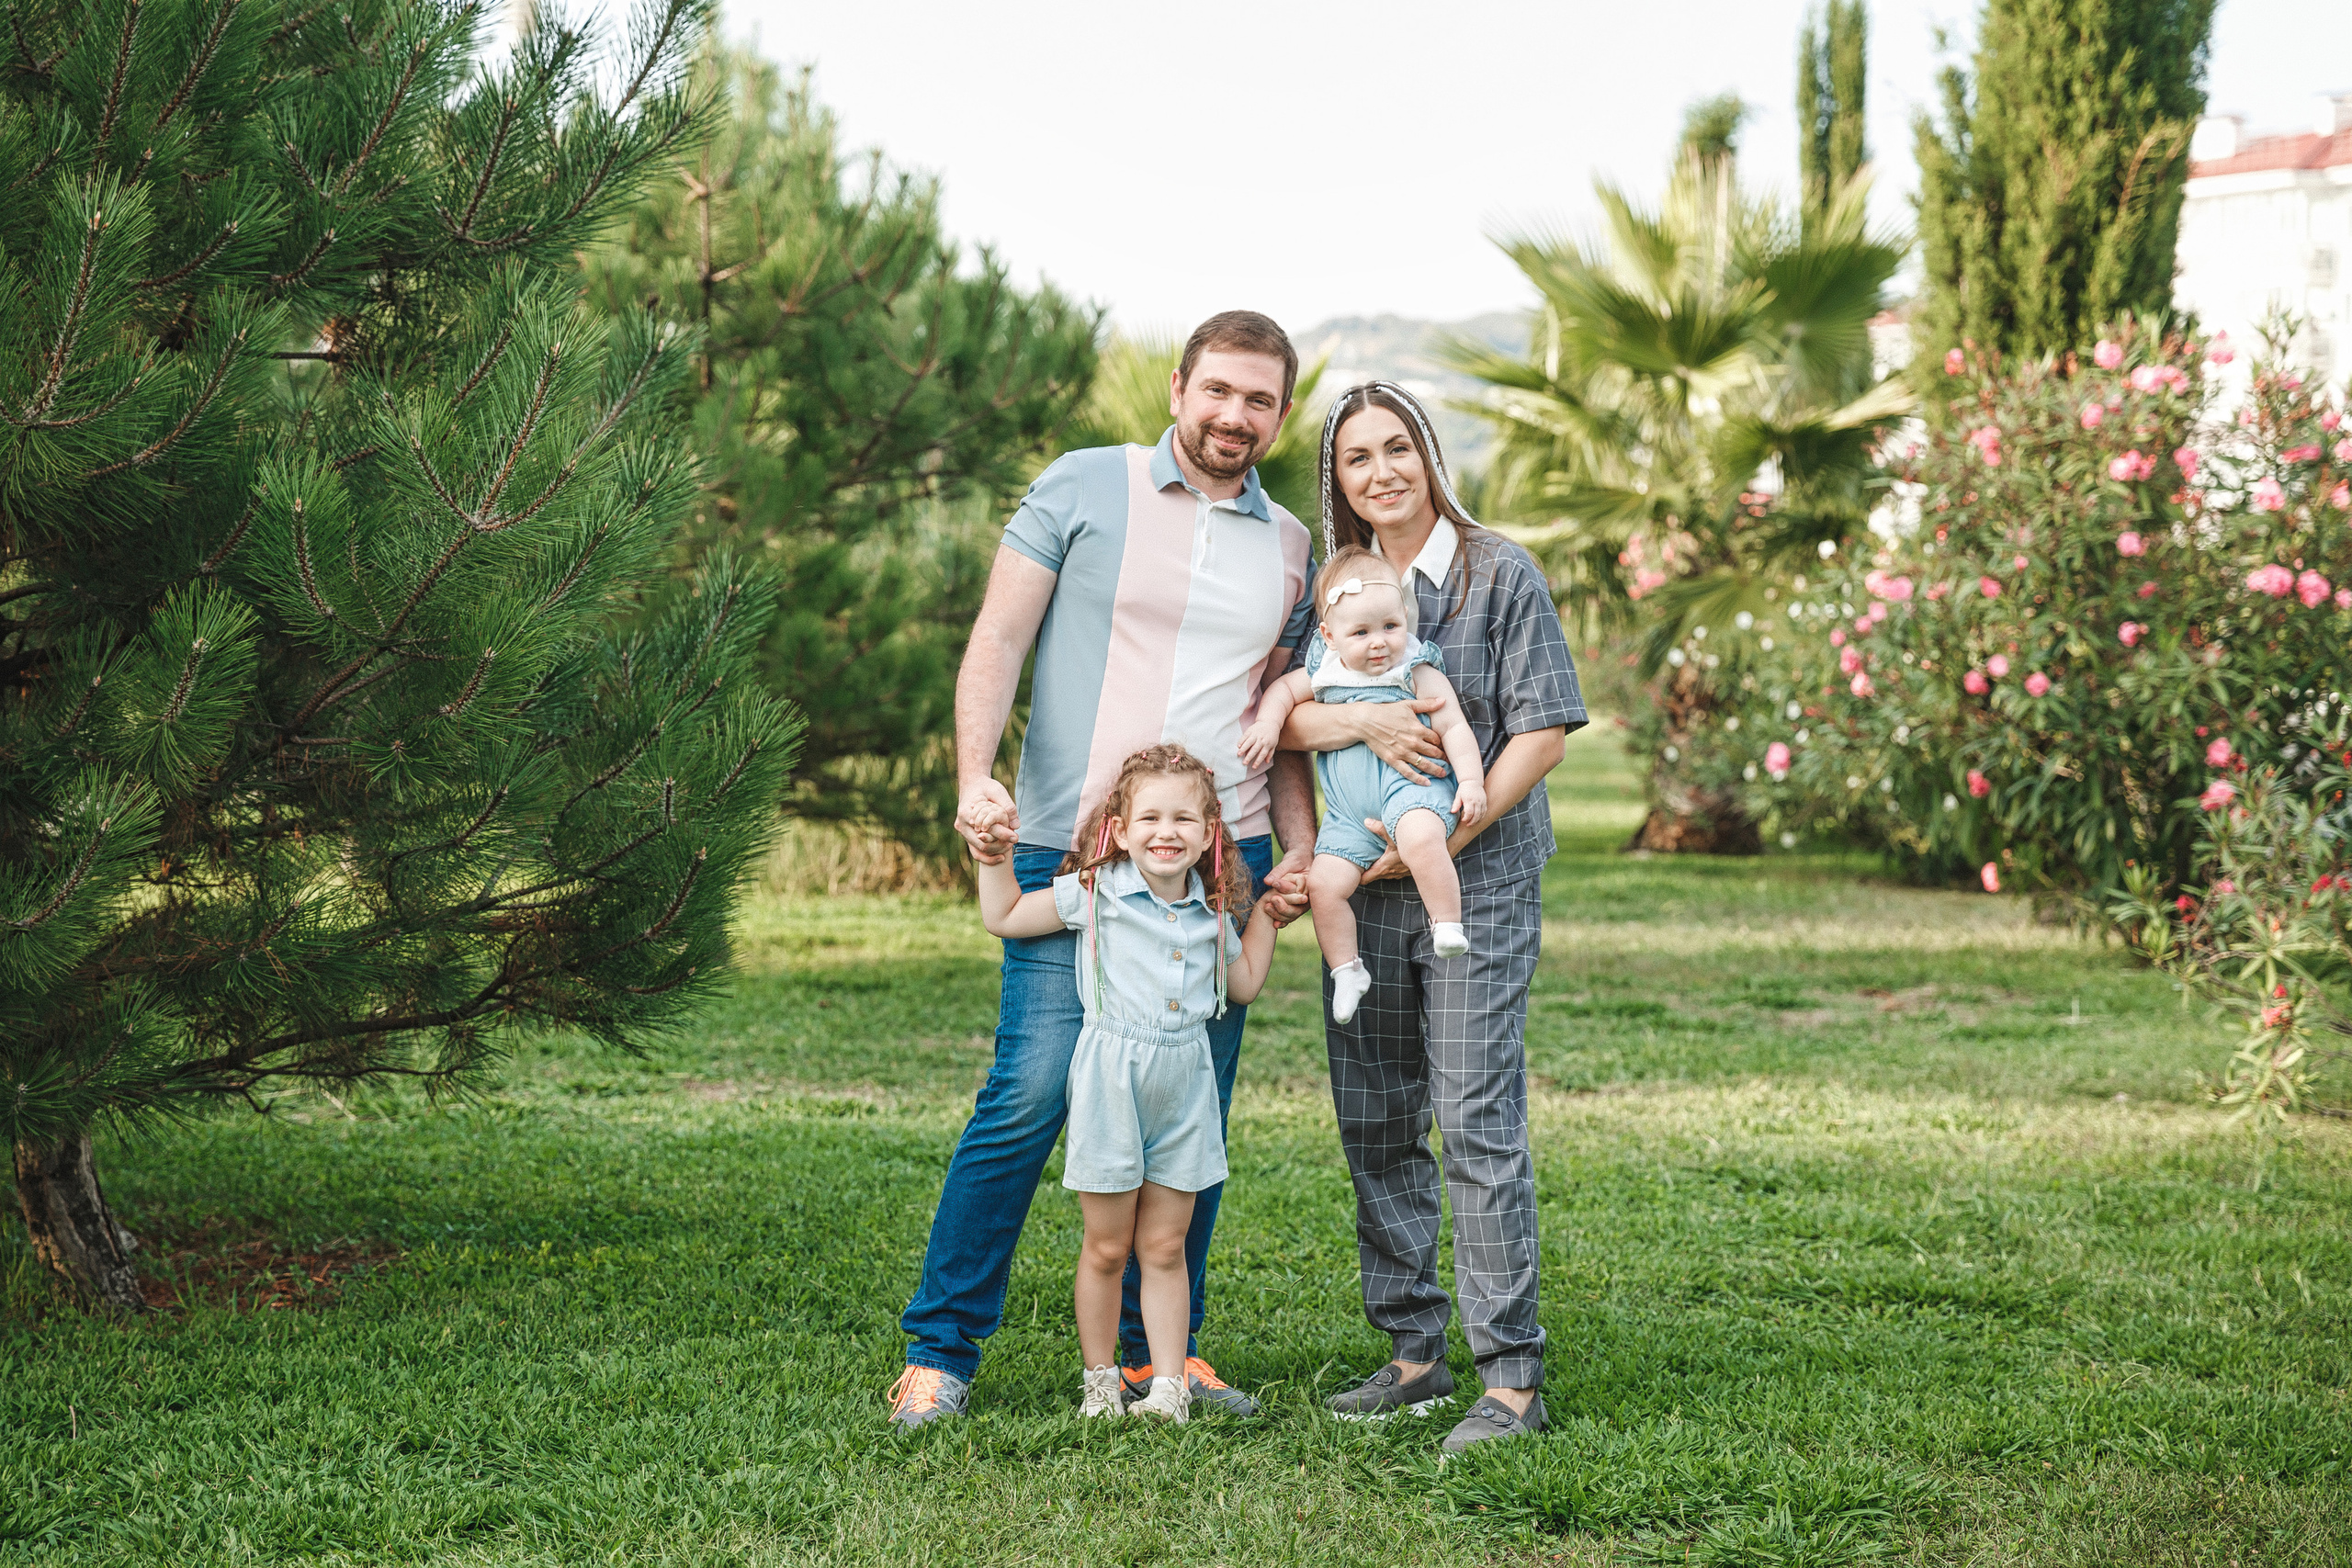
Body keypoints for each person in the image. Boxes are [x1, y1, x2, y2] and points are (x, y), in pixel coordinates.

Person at [889, 311, 1317, 1428]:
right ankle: (941, 1351)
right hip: (1065, 842)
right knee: (1030, 1094)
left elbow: (1280, 713)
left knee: (1189, 1103)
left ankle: (1153, 1359)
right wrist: (973, 778)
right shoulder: (1085, 484)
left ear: (1280, 412)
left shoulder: (1291, 547)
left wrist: (1296, 851)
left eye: (1259, 399)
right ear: (1179, 386)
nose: (1234, 415)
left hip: (1217, 862)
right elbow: (997, 639)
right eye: (1217, 389)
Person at [1279, 382, 1586, 1452]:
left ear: (1428, 454)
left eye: (1396, 448)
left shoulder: (1499, 572)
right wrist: (1358, 719)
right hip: (1359, 895)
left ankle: (1509, 1378)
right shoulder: (1332, 591)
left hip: (1477, 885)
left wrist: (1434, 847)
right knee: (1372, 1121)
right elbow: (1284, 715)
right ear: (1339, 479)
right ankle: (1413, 1353)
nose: (1381, 473)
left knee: (1472, 1117)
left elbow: (1542, 731)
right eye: (1357, 458)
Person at [973, 746, 1284, 1423]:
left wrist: (1268, 917)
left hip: (1184, 1090)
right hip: (1113, 1085)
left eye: (1183, 818)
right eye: (1148, 816)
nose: (1165, 831)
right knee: (1109, 1246)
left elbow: (1245, 983)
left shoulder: (1211, 912)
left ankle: (1169, 1386)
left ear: (1210, 834)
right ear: (1118, 826)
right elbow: (1003, 917)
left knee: (1166, 1246)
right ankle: (1101, 1381)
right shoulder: (1094, 893)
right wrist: (993, 856)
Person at [1238, 546, 1487, 1023]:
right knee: (1324, 887)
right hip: (1348, 816)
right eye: (1361, 632)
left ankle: (1446, 923)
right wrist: (1268, 727)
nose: (1379, 643)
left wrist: (1471, 781)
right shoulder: (1325, 671)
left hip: (1412, 792)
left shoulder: (1415, 670)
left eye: (1390, 627)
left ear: (1405, 620)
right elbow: (1281, 693)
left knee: (1420, 839)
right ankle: (1346, 970)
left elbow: (1455, 726)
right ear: (1329, 636)